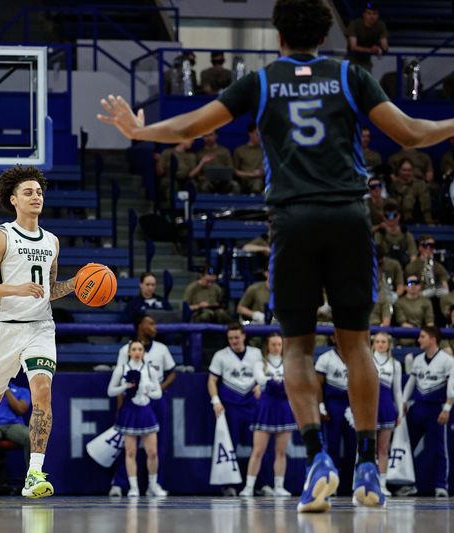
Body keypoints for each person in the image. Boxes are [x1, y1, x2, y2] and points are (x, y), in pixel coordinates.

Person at [98, 0, 454, 511]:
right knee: (357, 346)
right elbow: (413, 135)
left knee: (296, 348)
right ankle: (368, 469)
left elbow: (188, 128)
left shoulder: (262, 83)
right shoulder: (350, 76)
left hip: (294, 219)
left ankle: (318, 462)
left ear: (279, 37)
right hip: (349, 218)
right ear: (327, 35)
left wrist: (138, 131)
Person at [0, 166, 76, 499]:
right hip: (4, 329)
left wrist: (77, 284)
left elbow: (48, 289)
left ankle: (34, 474)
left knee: (42, 393)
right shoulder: (2, 236)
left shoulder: (52, 241)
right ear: (13, 200)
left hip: (40, 328)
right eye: (28, 192)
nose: (36, 196)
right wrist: (16, 289)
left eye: (39, 192)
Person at [108, 314, 176, 496]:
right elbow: (115, 386)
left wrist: (153, 390)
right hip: (130, 404)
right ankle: (125, 484)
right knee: (128, 449)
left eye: (140, 350)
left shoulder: (160, 351)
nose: (154, 326)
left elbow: (171, 373)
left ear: (144, 353)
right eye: (150, 323)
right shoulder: (124, 355)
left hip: (151, 404)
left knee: (154, 448)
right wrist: (123, 396)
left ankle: (154, 485)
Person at [207, 323, 262, 496]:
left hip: (252, 404)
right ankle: (229, 485)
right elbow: (211, 381)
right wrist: (216, 401)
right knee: (230, 445)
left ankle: (261, 483)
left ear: (244, 336)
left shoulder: (256, 353)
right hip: (231, 405)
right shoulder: (220, 355)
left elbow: (263, 374)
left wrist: (261, 385)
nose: (234, 341)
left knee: (259, 446)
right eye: (230, 338)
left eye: (237, 337)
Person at [400, 326, 454, 497]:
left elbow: (452, 387)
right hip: (418, 407)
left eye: (422, 337)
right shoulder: (418, 360)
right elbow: (411, 382)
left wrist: (446, 408)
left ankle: (441, 485)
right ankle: (408, 484)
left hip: (436, 408)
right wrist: (403, 401)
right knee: (407, 447)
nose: (418, 340)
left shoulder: (447, 361)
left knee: (439, 448)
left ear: (432, 339)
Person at [240, 333, 295, 497]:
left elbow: (292, 382)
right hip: (266, 407)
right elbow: (261, 380)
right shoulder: (260, 363)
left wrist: (276, 384)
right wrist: (279, 383)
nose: (277, 348)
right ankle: (249, 487)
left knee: (281, 451)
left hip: (284, 407)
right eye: (273, 344)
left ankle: (279, 486)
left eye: (279, 344)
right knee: (258, 450)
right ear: (267, 346)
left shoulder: (289, 363)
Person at [314, 341, 357, 495]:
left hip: (352, 403)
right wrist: (321, 405)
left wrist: (357, 406)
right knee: (332, 446)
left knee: (353, 448)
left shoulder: (356, 357)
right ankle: (331, 484)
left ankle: (348, 485)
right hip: (333, 404)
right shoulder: (326, 358)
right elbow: (318, 384)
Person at [371, 332, 402, 497]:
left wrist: (400, 412)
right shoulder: (367, 361)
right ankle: (369, 481)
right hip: (370, 409)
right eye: (378, 341)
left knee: (383, 449)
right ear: (373, 344)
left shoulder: (395, 364)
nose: (381, 344)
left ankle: (382, 484)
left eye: (384, 342)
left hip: (386, 408)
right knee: (368, 448)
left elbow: (397, 390)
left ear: (389, 344)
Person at [345, 2, 388, 72]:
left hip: (366, 62)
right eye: (369, 13)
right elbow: (353, 47)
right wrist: (370, 50)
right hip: (351, 60)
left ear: (378, 15)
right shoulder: (355, 24)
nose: (372, 16)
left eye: (374, 14)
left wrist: (378, 49)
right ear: (364, 14)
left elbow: (385, 47)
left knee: (365, 81)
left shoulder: (380, 25)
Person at [389, 158, 433, 224]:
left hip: (417, 217)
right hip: (398, 219)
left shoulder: (420, 184)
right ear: (399, 171)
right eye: (404, 170)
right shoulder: (394, 185)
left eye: (409, 170)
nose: (407, 173)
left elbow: (425, 200)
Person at [374, 200, 417, 266]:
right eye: (387, 216)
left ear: (399, 216)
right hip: (385, 268)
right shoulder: (379, 234)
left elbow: (413, 256)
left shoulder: (406, 234)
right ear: (383, 217)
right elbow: (376, 255)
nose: (391, 219)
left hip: (404, 267)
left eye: (394, 215)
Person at [233, 122, 265, 194]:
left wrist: (262, 172)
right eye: (257, 134)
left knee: (258, 182)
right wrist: (251, 174)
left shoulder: (265, 151)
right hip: (244, 181)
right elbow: (235, 171)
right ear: (250, 134)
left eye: (260, 134)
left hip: (260, 180)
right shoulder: (240, 150)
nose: (259, 136)